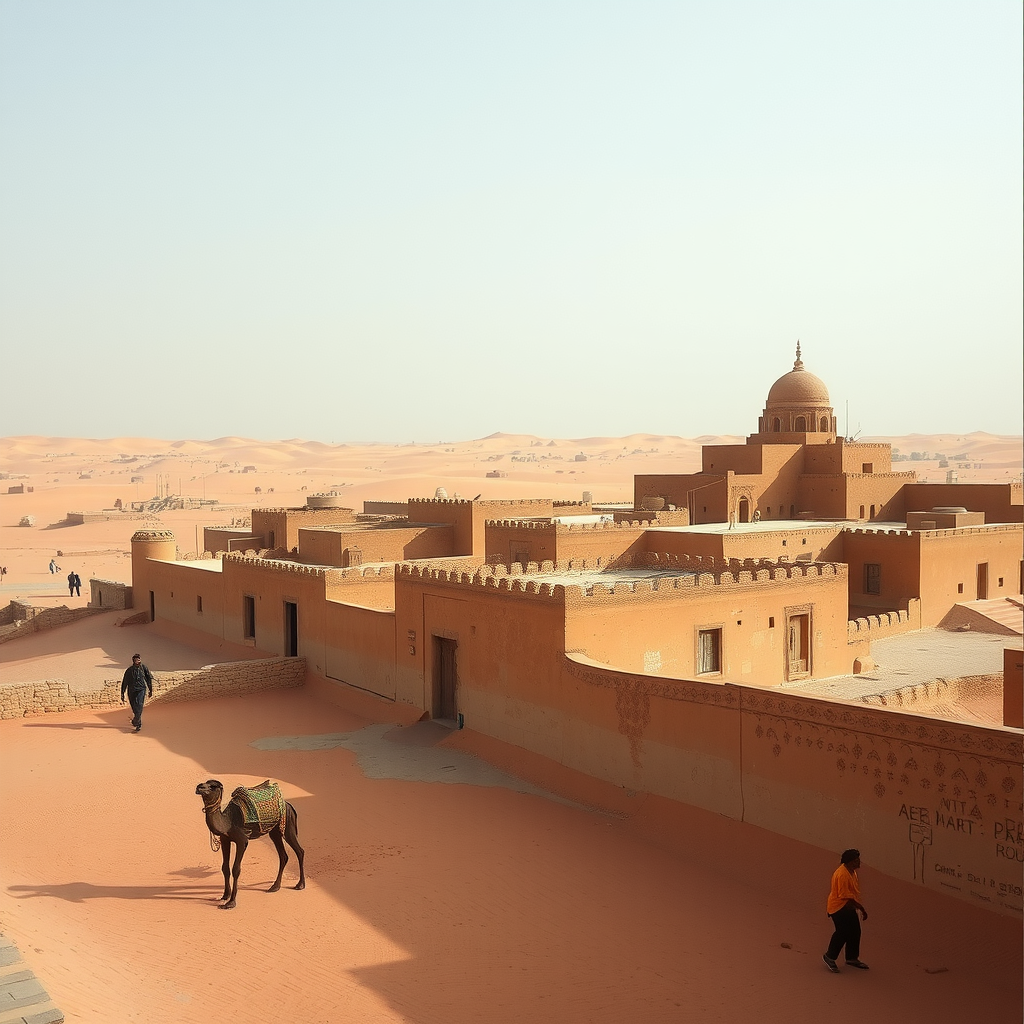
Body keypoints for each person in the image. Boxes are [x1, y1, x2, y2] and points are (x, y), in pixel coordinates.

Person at [823, 849, 869, 972]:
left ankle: (852, 958)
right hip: (838, 907)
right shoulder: (842, 874)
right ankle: (829, 956)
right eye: (856, 860)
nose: (859, 862)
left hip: (848, 906)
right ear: (849, 862)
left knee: (855, 931)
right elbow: (845, 896)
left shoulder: (852, 872)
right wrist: (861, 908)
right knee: (842, 932)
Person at [121, 654, 154, 733]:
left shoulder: (143, 668)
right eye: (136, 660)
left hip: (141, 689)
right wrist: (122, 693)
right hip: (131, 690)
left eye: (138, 660)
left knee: (139, 705)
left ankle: (137, 723)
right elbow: (125, 682)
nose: (137, 661)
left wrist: (150, 690)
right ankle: (136, 720)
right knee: (134, 707)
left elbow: (148, 679)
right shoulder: (129, 670)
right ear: (133, 661)